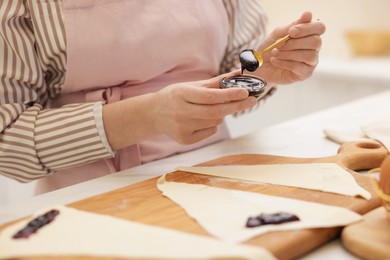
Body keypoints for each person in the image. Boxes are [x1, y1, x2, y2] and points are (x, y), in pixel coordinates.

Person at [0, 0, 326, 193]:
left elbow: (234, 69)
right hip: (86, 197)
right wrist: (150, 115)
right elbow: (7, 137)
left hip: (217, 180)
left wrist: (261, 74)